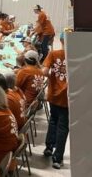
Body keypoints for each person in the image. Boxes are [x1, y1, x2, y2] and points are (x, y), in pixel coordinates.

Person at [42, 32, 68, 169]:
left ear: (62, 40)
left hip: (54, 94)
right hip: (68, 97)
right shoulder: (76, 57)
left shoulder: (53, 54)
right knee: (63, 127)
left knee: (53, 121)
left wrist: (53, 76)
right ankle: (57, 158)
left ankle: (48, 148)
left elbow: (44, 72)